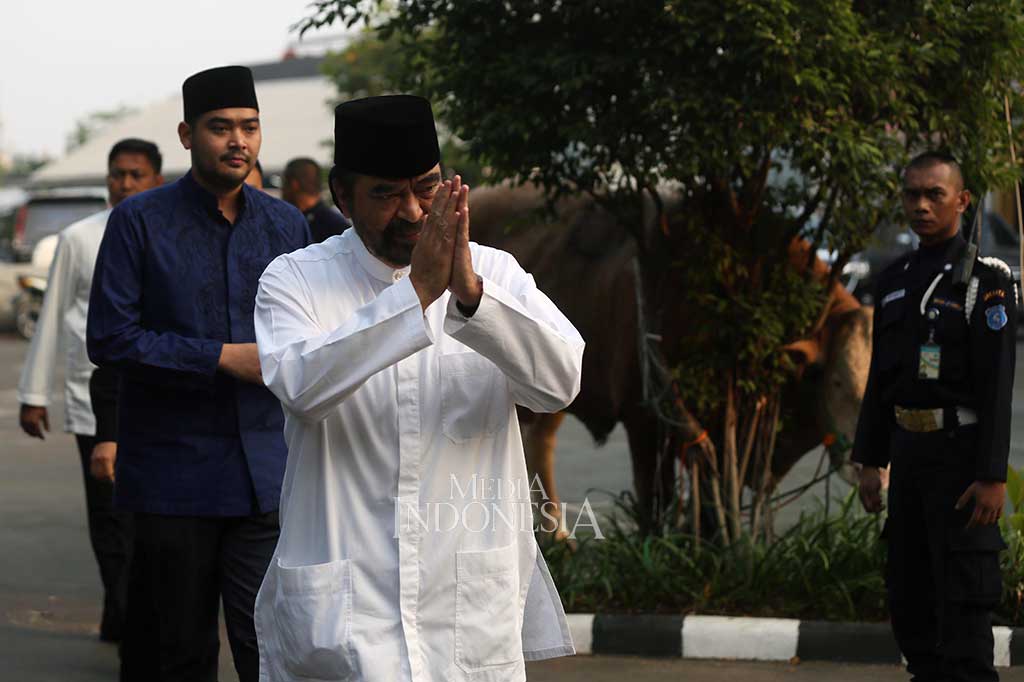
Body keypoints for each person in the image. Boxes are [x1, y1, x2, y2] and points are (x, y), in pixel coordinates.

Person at [252, 95, 584, 682]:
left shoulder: (493, 273)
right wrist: (416, 296)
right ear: (342, 196)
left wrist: (472, 299)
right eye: (386, 194)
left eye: (426, 188)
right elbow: (301, 387)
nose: (412, 211)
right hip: (349, 613)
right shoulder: (295, 280)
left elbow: (559, 384)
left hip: (466, 609)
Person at [86, 65, 310, 682]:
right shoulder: (139, 221)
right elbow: (110, 337)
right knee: (176, 655)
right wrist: (220, 356)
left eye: (250, 127)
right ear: (187, 136)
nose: (238, 141)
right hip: (172, 478)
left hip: (267, 478)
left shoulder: (286, 224)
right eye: (220, 128)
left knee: (271, 651)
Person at [854, 151, 1016, 681]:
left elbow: (997, 384)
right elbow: (881, 378)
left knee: (964, 609)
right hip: (908, 456)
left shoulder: (985, 281)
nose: (921, 206)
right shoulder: (893, 277)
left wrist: (991, 476)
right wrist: (870, 460)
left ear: (962, 201)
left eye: (934, 195)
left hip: (960, 459)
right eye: (912, 195)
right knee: (911, 601)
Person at [17, 138, 163, 642]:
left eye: (136, 175)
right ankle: (123, 613)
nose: (125, 183)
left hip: (157, 400)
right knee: (109, 518)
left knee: (151, 518)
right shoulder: (79, 238)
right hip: (91, 402)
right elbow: (52, 316)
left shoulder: (167, 233)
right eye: (117, 174)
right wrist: (34, 394)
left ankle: (132, 613)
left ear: (156, 180)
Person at [281, 156, 351, 242]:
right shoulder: (336, 223)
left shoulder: (334, 226)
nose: (282, 189)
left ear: (294, 184)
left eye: (283, 182)